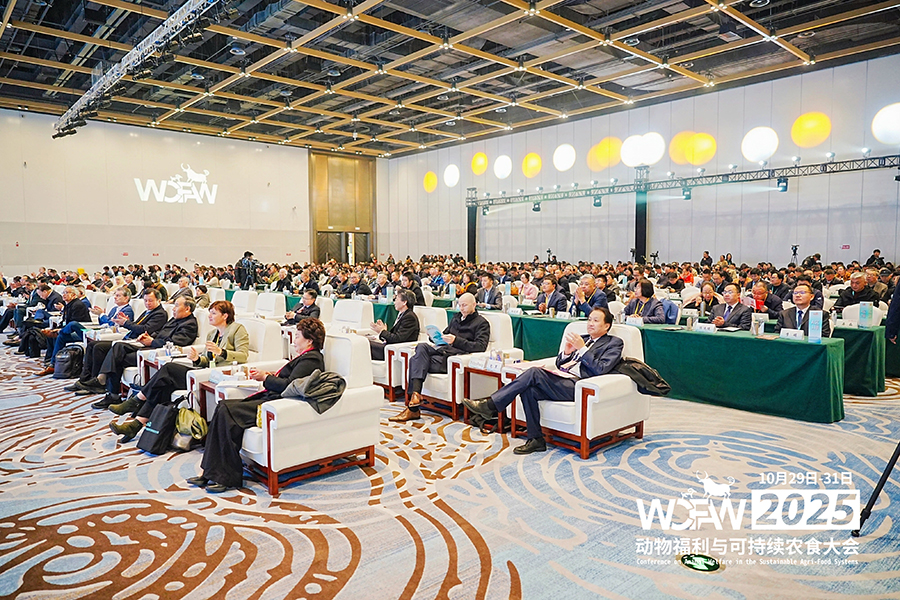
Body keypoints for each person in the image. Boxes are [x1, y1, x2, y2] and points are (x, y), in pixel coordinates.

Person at [187, 318, 326, 493]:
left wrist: (266, 378)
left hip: (277, 404)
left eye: (297, 336)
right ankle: (209, 472)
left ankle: (225, 477)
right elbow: (290, 380)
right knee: (223, 407)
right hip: (271, 398)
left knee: (226, 410)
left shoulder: (312, 359)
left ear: (309, 340)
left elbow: (290, 386)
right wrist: (269, 375)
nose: (294, 340)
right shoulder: (306, 357)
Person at [463, 307, 623, 455]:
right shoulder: (584, 338)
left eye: (595, 320)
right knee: (529, 390)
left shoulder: (614, 343)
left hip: (580, 386)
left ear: (606, 326)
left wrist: (582, 349)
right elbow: (560, 364)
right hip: (563, 379)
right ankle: (536, 439)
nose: (590, 323)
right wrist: (567, 353)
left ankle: (491, 405)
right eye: (589, 319)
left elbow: (601, 369)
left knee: (534, 373)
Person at [108, 300, 250, 443]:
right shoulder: (212, 334)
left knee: (169, 368)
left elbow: (243, 355)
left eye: (213, 313)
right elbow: (206, 360)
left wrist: (222, 352)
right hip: (204, 372)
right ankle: (135, 425)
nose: (209, 316)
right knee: (163, 386)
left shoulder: (237, 329)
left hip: (220, 376)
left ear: (225, 315)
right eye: (209, 313)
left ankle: (137, 400)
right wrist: (197, 359)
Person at [390, 293, 490, 422]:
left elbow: (480, 346)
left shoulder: (482, 323)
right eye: (459, 305)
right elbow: (445, 335)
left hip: (453, 358)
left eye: (464, 305)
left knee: (414, 360)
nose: (461, 308)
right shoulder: (456, 318)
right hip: (442, 351)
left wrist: (456, 341)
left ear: (474, 305)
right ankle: (415, 396)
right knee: (421, 347)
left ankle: (413, 406)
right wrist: (434, 337)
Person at [91, 296, 199, 410]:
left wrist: (152, 341)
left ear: (187, 309)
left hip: (158, 351)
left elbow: (176, 343)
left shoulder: (189, 324)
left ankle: (111, 392)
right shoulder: (174, 319)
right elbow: (160, 332)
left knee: (118, 358)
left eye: (176, 306)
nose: (173, 309)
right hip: (151, 345)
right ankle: (105, 382)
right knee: (118, 347)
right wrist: (148, 337)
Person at [37, 286, 92, 374]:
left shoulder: (78, 305)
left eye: (67, 293)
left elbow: (75, 323)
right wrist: (58, 328)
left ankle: (53, 364)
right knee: (56, 335)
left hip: (82, 332)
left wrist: (60, 330)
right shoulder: (68, 304)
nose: (63, 295)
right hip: (71, 330)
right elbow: (65, 321)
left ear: (73, 295)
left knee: (70, 326)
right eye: (63, 292)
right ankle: (50, 361)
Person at [369, 290, 419, 360]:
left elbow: (397, 339)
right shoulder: (403, 315)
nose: (394, 302)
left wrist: (382, 331)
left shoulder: (409, 317)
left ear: (404, 302)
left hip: (398, 350)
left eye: (396, 299)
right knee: (365, 341)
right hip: (392, 347)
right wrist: (384, 331)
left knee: (365, 345)